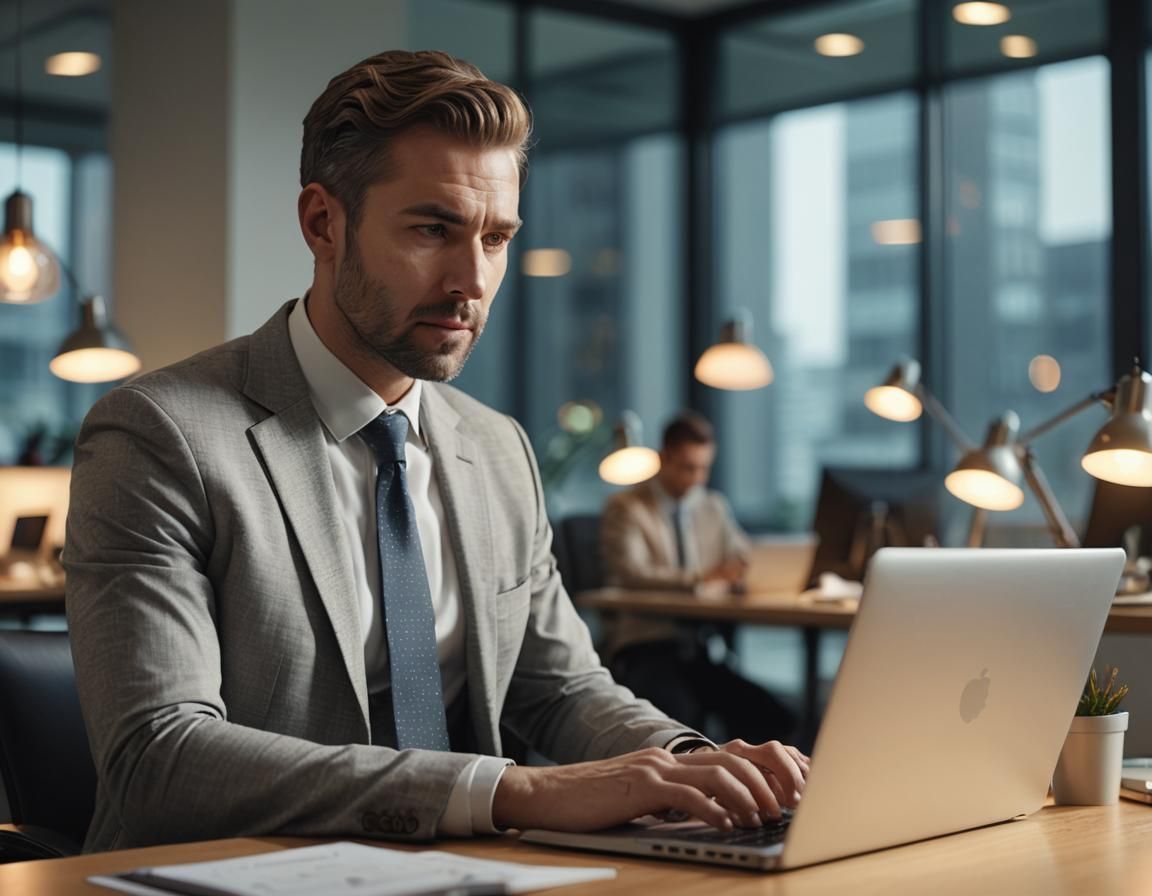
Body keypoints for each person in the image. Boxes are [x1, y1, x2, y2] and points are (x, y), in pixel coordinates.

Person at [65, 50, 807, 853]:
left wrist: (689, 762)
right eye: (432, 229)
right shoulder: (158, 435)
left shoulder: (496, 449)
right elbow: (159, 759)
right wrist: (514, 790)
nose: (472, 279)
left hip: (465, 872)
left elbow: (559, 688)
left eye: (497, 237)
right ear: (323, 223)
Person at [600, 412, 798, 744]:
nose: (697, 478)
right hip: (646, 646)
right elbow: (632, 574)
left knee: (772, 717)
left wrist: (744, 574)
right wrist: (701, 579)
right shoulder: (627, 506)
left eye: (704, 468)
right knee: (680, 720)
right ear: (664, 458)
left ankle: (753, 791)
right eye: (688, 467)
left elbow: (741, 558)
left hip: (698, 649)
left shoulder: (712, 507)